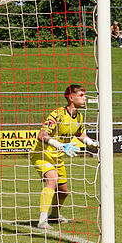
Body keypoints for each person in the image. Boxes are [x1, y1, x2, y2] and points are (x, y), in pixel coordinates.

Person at [30, 84, 99, 229]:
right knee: (52, 179)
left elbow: (80, 134)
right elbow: (42, 135)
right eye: (81, 95)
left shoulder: (79, 116)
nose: (85, 98)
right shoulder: (57, 114)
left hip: (57, 157)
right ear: (71, 97)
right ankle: (42, 220)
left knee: (63, 192)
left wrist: (90, 142)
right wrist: (61, 145)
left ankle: (54, 215)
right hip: (41, 153)